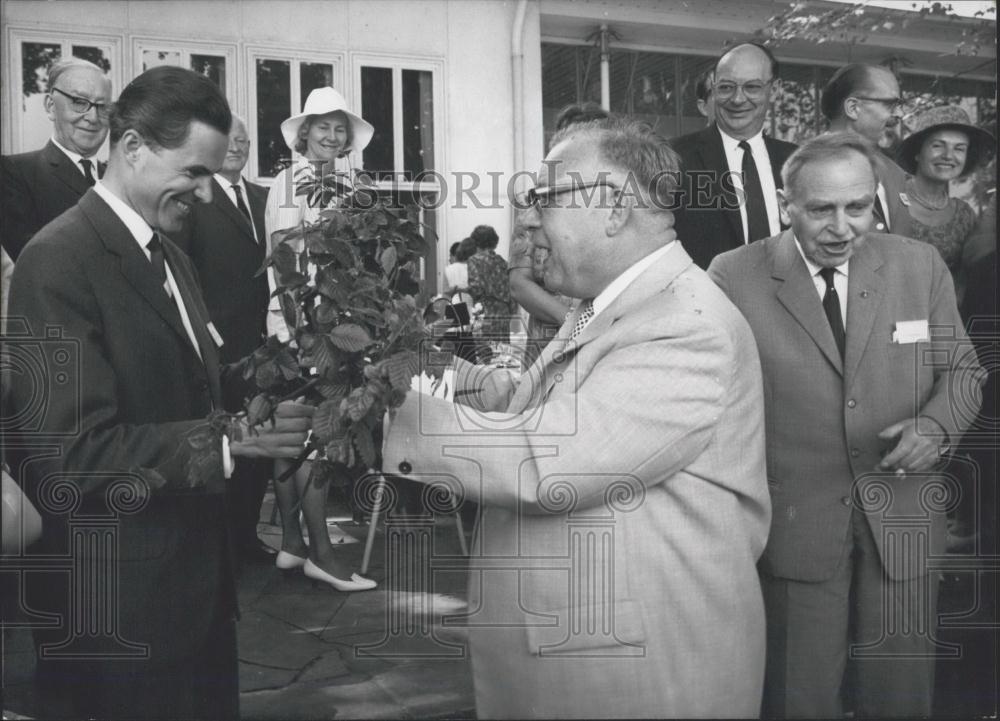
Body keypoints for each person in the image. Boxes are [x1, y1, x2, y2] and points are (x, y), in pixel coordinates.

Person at [382, 117, 771, 718]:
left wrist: (385, 420)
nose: (529, 217)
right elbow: (540, 404)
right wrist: (415, 373)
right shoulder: (615, 303)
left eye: (545, 197)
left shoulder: (686, 323)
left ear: (614, 206)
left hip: (635, 676)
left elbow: (547, 459)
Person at [4, 66, 314, 721]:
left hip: (198, 602)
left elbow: (193, 381)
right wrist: (230, 442)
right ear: (133, 148)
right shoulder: (55, 261)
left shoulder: (169, 254)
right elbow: (72, 455)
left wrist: (282, 381)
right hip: (120, 615)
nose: (206, 194)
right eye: (194, 172)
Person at [708, 132, 985, 718]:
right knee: (798, 697)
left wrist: (934, 430)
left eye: (857, 207)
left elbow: (963, 372)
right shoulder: (734, 276)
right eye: (821, 210)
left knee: (901, 697)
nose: (842, 227)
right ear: (787, 206)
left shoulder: (919, 264)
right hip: (796, 526)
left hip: (904, 518)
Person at [264, 86, 378, 592]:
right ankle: (324, 555)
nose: (331, 136)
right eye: (322, 127)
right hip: (305, 324)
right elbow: (284, 265)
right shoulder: (289, 184)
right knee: (315, 435)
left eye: (339, 128)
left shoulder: (354, 185)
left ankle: (292, 543)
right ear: (303, 133)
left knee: (294, 432)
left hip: (338, 320)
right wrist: (296, 333)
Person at [173, 114, 275, 566]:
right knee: (223, 442)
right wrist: (203, 329)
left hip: (264, 345)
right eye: (230, 140)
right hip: (218, 343)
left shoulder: (264, 197)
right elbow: (182, 264)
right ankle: (218, 546)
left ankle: (246, 537)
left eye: (245, 141)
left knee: (258, 444)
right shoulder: (198, 195)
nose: (238, 147)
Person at [669, 42, 798, 269]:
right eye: (726, 87)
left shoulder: (796, 160)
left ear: (774, 90)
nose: (738, 99)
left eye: (752, 87)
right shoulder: (674, 157)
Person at [1, 57, 112, 261]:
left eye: (102, 107)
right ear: (51, 106)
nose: (93, 118)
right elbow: (33, 259)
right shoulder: (14, 172)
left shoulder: (114, 178)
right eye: (79, 102)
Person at [895, 106, 996, 302]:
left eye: (959, 148)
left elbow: (966, 280)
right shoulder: (891, 200)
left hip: (945, 322)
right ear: (918, 153)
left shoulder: (964, 215)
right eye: (938, 146)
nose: (948, 155)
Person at [821, 63, 912, 236]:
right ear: (853, 108)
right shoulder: (804, 166)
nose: (900, 114)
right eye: (891, 104)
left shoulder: (895, 173)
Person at [466, 224, 514, 343]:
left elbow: (476, 288)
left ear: (476, 242)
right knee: (502, 352)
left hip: (485, 311)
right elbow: (512, 290)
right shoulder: (503, 262)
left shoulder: (474, 260)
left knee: (484, 351)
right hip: (503, 312)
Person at [443, 237, 474, 304]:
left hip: (454, 308)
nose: (449, 259)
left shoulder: (448, 270)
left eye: (450, 255)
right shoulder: (473, 269)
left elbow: (446, 295)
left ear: (456, 256)